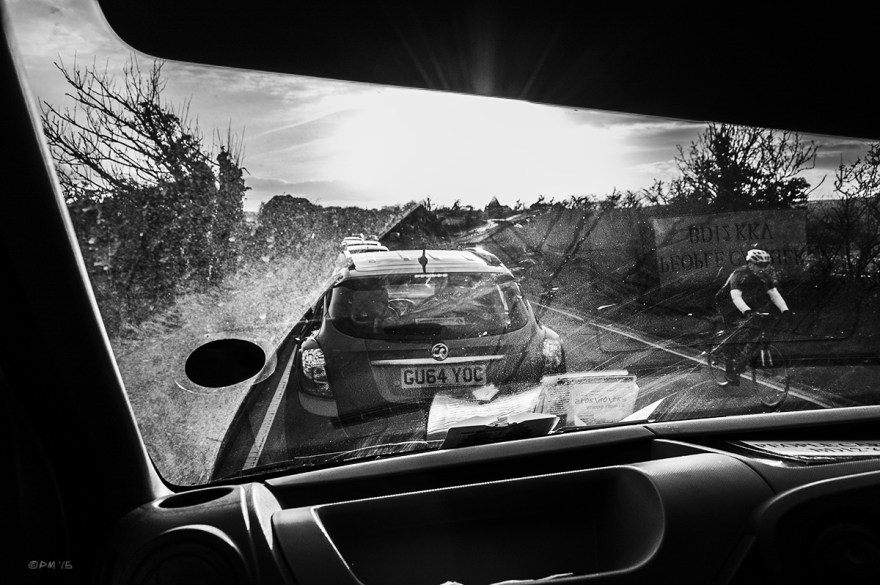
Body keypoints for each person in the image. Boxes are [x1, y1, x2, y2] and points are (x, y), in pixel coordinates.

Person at [714, 249, 791, 386]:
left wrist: (785, 310)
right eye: (759, 265)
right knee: (734, 333)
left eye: (765, 265)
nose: (762, 268)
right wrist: (746, 311)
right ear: (750, 263)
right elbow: (736, 297)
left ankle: (742, 362)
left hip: (746, 302)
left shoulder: (764, 277)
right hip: (727, 302)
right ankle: (729, 370)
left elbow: (774, 293)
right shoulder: (739, 274)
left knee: (755, 331)